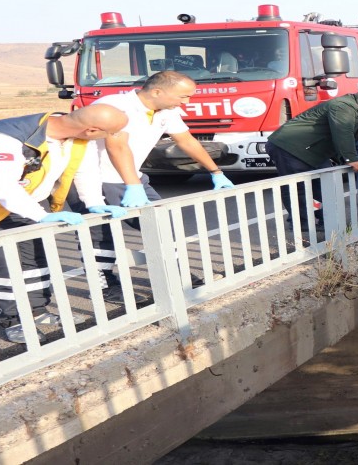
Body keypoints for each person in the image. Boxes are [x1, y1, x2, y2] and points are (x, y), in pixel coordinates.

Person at [0, 105, 129, 343]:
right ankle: (12, 319)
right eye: (112, 132)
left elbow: (85, 172)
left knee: (34, 260)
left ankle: (37, 311)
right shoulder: (5, 136)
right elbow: (0, 185)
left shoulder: (78, 139)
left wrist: (94, 202)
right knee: (1, 266)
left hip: (25, 204)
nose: (114, 138)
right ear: (91, 129)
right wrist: (39, 215)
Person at [67, 71, 235, 304]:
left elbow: (186, 140)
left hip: (131, 176)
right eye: (183, 96)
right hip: (95, 178)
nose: (187, 102)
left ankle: (173, 273)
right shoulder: (115, 107)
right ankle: (105, 285)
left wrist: (216, 172)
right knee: (100, 235)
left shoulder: (167, 110)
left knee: (161, 224)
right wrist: (132, 187)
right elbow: (118, 147)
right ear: (157, 92)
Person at [266, 87, 358, 231]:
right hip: (289, 146)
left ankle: (326, 221)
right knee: (297, 187)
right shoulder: (343, 106)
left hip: (312, 149)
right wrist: (352, 159)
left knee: (327, 184)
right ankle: (301, 224)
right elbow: (343, 131)